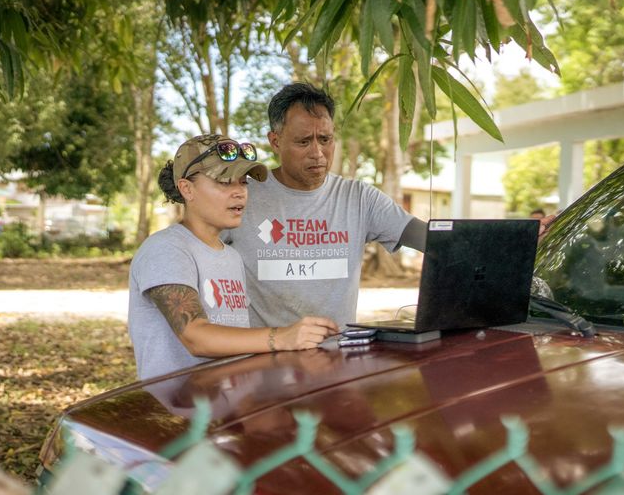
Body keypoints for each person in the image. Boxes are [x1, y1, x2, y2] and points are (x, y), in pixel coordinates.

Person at [128, 134, 339, 380]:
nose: (239, 192)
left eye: (243, 182)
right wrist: (281, 337)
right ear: (187, 189)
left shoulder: (231, 258)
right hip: (178, 413)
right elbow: (196, 337)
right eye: (225, 182)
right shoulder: (166, 249)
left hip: (226, 411)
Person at [229, 83, 427, 328]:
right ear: (275, 141)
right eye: (303, 142)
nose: (318, 153)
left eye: (325, 139)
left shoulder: (360, 198)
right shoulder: (242, 197)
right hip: (265, 358)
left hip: (339, 359)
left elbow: (433, 240)